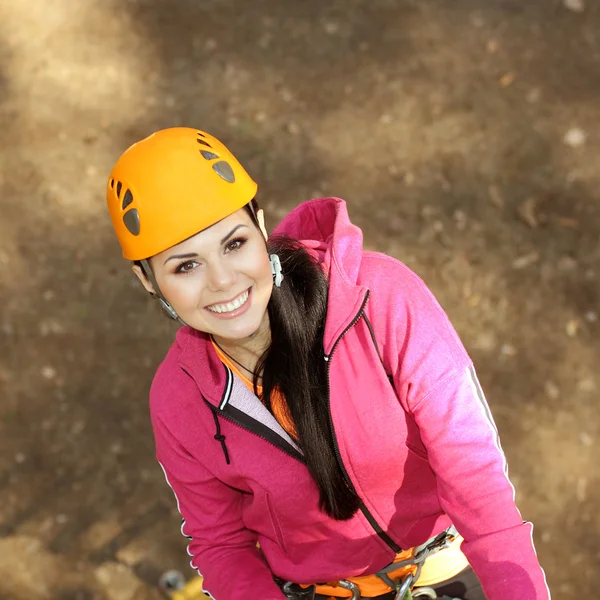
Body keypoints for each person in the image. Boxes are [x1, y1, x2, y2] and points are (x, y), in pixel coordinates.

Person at [105, 127, 550, 600]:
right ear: (148, 281)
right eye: (185, 266)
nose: (222, 281)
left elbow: (472, 467)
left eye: (234, 244)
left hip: (444, 569)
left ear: (260, 225)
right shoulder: (178, 401)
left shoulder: (379, 299)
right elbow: (221, 545)